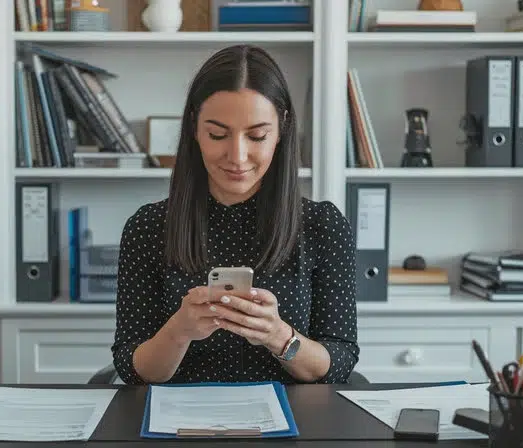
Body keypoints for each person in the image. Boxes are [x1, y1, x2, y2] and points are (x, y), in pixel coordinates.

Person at [111, 44, 359, 385]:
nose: (238, 156)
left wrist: (279, 336)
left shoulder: (323, 226)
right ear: (195, 128)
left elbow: (340, 362)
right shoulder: (148, 227)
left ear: (282, 129)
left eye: (256, 136)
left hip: (293, 421)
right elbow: (131, 368)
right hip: (179, 423)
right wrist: (179, 332)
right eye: (218, 134)